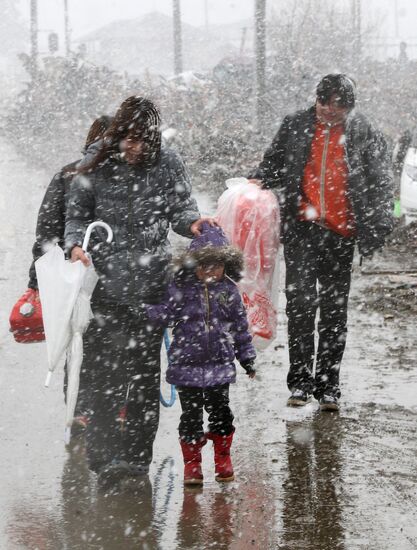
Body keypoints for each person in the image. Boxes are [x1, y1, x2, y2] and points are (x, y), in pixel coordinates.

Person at [65, 96, 214, 488]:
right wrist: (75, 245)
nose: (135, 148)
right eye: (128, 140)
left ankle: (134, 461)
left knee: (144, 378)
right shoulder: (95, 163)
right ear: (117, 135)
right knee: (102, 379)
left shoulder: (169, 162)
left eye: (143, 142)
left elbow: (182, 209)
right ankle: (104, 458)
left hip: (151, 291)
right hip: (103, 290)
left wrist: (195, 224)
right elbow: (76, 216)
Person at [249, 74, 393, 411]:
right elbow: (273, 163)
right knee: (300, 305)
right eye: (325, 102)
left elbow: (380, 179)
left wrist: (380, 219)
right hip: (303, 230)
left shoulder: (362, 132)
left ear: (349, 107)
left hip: (341, 234)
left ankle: (329, 385)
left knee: (333, 312)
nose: (331, 110)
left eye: (339, 105)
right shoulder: (296, 125)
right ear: (317, 100)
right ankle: (300, 382)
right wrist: (258, 178)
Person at [143, 223, 256, 485]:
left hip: (219, 366)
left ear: (226, 265)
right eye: (204, 265)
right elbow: (165, 313)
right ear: (193, 265)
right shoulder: (180, 288)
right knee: (191, 417)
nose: (210, 271)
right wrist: (145, 310)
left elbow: (240, 327)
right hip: (186, 367)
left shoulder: (228, 291)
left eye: (216, 265)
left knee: (221, 414)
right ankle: (192, 464)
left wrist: (246, 356)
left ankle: (222, 458)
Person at [27, 115, 113, 427]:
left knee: (83, 339)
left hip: (85, 276)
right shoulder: (71, 175)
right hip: (87, 274)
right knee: (85, 338)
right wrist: (37, 280)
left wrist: (38, 279)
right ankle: (86, 409)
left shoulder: (69, 174)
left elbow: (46, 232)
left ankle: (83, 409)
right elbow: (49, 231)